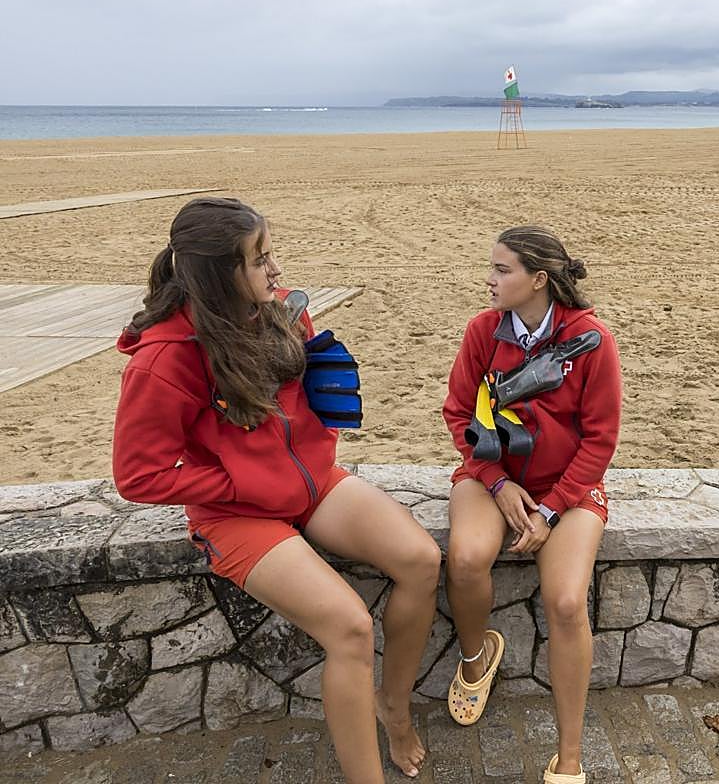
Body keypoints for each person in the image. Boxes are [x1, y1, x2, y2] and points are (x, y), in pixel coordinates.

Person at [112, 197, 441, 782]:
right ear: (219, 274)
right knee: (350, 627)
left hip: (310, 485)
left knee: (420, 558)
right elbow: (139, 475)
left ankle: (393, 707)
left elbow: (304, 411)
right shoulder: (164, 357)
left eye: (271, 254)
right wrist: (242, 482)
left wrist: (295, 468)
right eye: (259, 260)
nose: (276, 270)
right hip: (234, 514)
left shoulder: (284, 315)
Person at [442, 225, 621, 784]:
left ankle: (569, 756)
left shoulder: (593, 340)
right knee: (467, 557)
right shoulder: (481, 332)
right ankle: (476, 660)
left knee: (566, 601)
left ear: (539, 279)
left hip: (568, 490)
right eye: (491, 268)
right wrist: (496, 482)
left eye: (502, 270)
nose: (489, 279)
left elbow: (600, 440)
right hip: (491, 478)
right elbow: (456, 416)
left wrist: (551, 509)